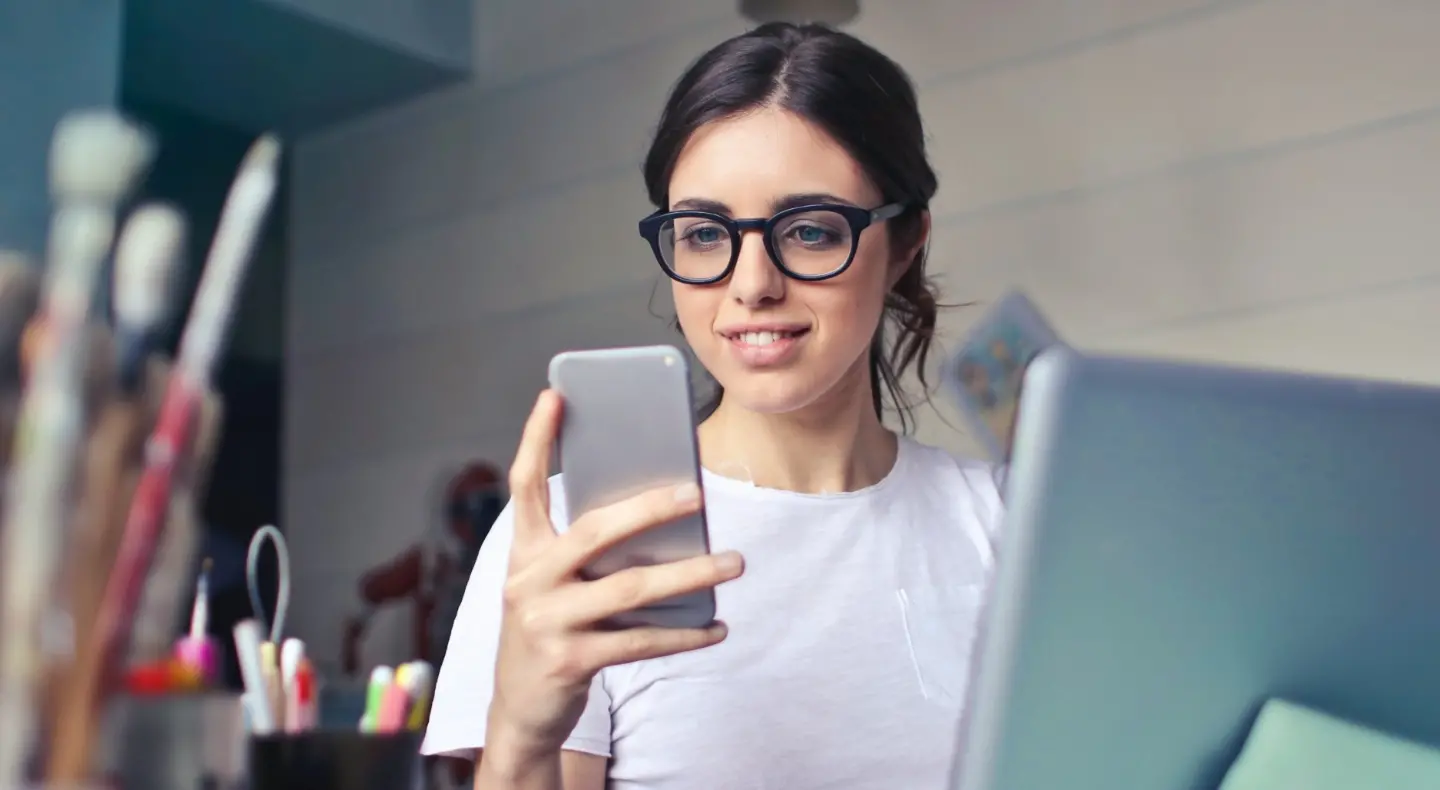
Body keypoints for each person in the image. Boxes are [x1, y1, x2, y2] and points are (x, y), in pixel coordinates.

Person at [422, 22, 1004, 790]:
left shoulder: (1006, 522)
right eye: (704, 233)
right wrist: (522, 734)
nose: (751, 284)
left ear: (904, 247)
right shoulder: (577, 543)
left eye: (808, 230)